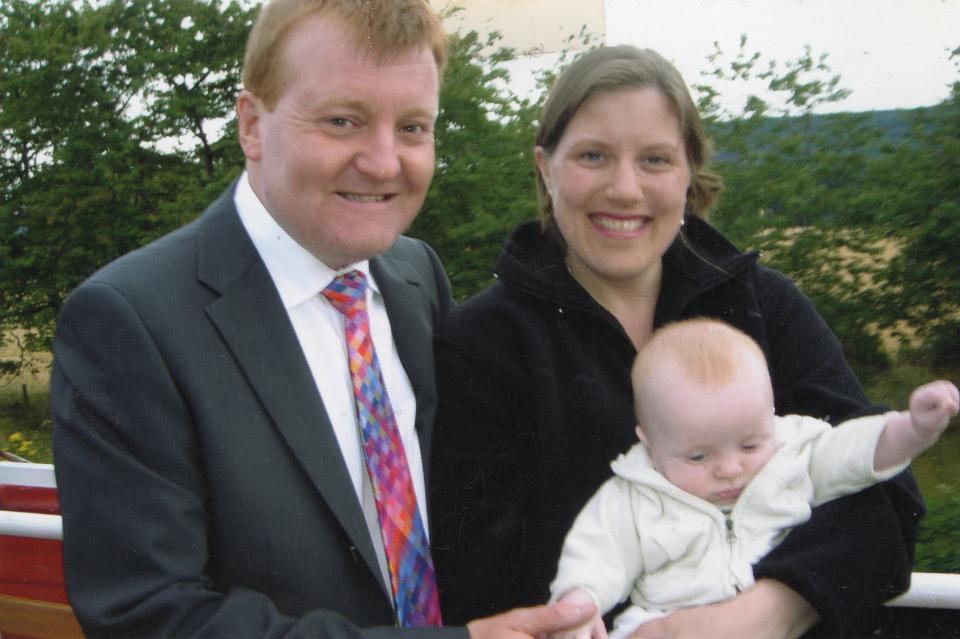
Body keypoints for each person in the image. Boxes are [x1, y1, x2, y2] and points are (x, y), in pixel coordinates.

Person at [49, 1, 595, 637]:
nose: (386, 162)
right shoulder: (131, 322)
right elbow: (148, 615)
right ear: (251, 125)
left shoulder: (417, 277)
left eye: (414, 127)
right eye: (343, 120)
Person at [429, 45, 925, 639]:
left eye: (656, 160)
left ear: (689, 173)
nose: (625, 188)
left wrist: (760, 615)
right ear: (545, 165)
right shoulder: (484, 344)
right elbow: (482, 577)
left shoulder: (761, 306)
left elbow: (884, 493)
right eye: (593, 155)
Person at [548, 319, 958, 639]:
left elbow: (858, 453)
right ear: (650, 442)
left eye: (749, 445)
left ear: (771, 417)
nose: (730, 468)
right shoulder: (635, 495)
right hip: (662, 622)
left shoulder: (793, 454)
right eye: (698, 455)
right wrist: (578, 603)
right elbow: (595, 554)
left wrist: (913, 428)